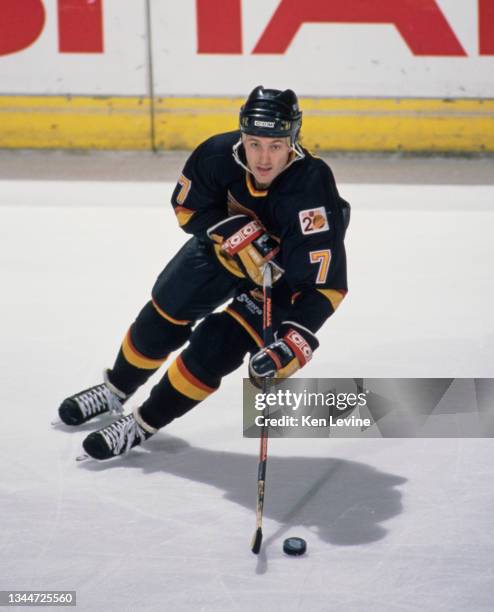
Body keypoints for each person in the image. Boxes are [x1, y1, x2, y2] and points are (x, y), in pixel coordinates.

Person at [57, 85, 350, 460]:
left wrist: (293, 341)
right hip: (223, 251)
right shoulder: (216, 155)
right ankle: (116, 388)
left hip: (278, 278)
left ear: (293, 140)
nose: (263, 158)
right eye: (254, 142)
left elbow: (325, 286)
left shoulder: (312, 186)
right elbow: (186, 207)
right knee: (164, 313)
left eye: (275, 145)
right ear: (242, 135)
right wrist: (228, 229)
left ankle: (142, 423)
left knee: (214, 349)